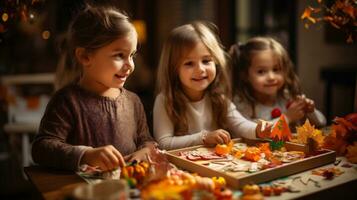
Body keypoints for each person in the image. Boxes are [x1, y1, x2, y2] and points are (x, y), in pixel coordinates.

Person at [32, 5, 155, 171]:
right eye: (119, 55)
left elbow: (146, 140)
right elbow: (41, 148)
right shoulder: (67, 101)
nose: (130, 65)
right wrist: (86, 155)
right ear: (85, 56)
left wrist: (146, 150)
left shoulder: (133, 102)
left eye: (132, 55)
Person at [153, 22, 269, 150]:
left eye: (206, 61)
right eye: (189, 63)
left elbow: (241, 125)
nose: (200, 69)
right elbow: (164, 143)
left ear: (216, 62)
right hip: (180, 168)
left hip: (215, 166)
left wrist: (259, 130)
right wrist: (203, 137)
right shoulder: (165, 101)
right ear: (173, 68)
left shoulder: (219, 98)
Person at [230, 36, 326, 130]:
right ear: (245, 75)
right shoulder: (242, 105)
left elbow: (321, 123)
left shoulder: (287, 97)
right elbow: (256, 133)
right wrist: (287, 117)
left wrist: (310, 111)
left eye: (276, 69)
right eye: (261, 71)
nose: (271, 77)